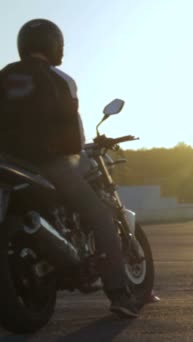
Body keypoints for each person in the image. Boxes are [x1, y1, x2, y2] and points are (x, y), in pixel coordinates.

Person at [0, 19, 138, 318]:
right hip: (47, 163)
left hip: (7, 162)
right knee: (101, 216)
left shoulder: (4, 76)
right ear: (53, 45)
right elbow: (73, 133)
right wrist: (75, 153)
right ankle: (119, 293)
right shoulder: (59, 79)